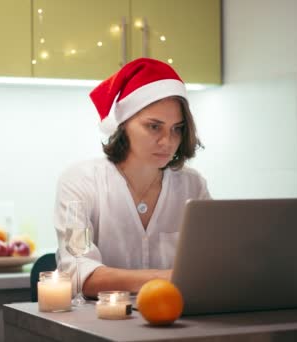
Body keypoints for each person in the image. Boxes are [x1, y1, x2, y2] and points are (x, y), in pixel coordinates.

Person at [54, 58, 211, 299]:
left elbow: (212, 263)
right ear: (123, 125)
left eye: (176, 128)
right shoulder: (80, 183)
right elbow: (78, 269)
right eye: (154, 127)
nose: (167, 141)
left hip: (174, 320)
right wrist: (167, 277)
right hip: (97, 325)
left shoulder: (193, 186)